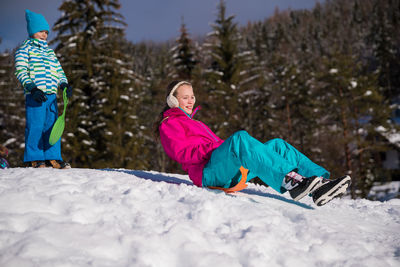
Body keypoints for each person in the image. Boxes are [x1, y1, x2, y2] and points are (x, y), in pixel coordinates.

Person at [155, 81, 351, 206]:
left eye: (192, 97)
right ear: (173, 100)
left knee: (277, 146)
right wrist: (221, 147)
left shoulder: (194, 123)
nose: (190, 101)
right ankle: (293, 182)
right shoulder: (169, 124)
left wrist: (224, 148)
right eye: (184, 97)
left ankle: (321, 183)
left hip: (226, 170)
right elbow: (182, 152)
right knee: (239, 139)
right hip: (208, 174)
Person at [15, 9, 72, 169]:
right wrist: (32, 88)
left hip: (51, 96)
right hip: (36, 95)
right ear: (32, 30)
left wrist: (64, 84)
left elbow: (59, 71)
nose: (44, 35)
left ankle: (52, 157)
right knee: (35, 126)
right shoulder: (24, 50)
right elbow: (20, 71)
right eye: (41, 31)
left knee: (51, 127)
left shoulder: (50, 52)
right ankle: (34, 157)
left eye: (46, 32)